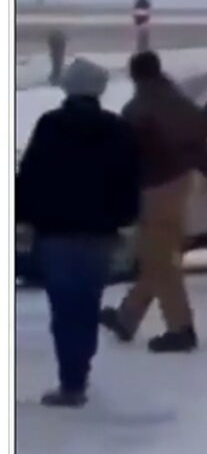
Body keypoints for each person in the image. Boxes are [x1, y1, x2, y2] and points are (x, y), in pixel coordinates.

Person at [16, 58, 141, 407]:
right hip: (100, 232)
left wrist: (22, 217)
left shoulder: (51, 126)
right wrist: (124, 218)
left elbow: (31, 175)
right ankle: (79, 375)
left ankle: (69, 381)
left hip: (56, 231)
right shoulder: (117, 130)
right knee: (87, 306)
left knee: (63, 308)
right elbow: (130, 179)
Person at [99, 51, 207, 353]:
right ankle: (127, 317)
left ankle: (180, 328)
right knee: (156, 255)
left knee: (161, 260)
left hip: (154, 189)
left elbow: (124, 160)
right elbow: (202, 146)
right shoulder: (180, 102)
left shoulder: (138, 109)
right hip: (181, 183)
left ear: (134, 76)